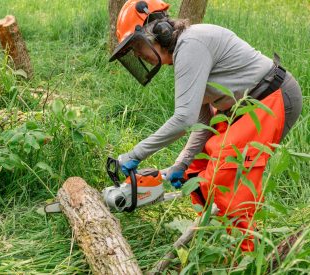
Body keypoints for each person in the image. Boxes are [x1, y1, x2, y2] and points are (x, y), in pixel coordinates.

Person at [109, 0, 302, 252]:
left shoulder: (191, 45)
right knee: (198, 168)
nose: (138, 55)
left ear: (157, 32)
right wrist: (183, 162)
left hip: (271, 98)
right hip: (243, 108)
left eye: (136, 47)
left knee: (227, 171)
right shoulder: (186, 53)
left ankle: (244, 256)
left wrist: (135, 154)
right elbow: (202, 122)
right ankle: (216, 235)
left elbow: (183, 119)